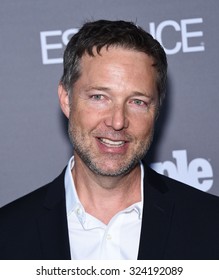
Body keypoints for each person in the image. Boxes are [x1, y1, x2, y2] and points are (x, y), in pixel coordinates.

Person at [1, 19, 219, 260]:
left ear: (156, 110)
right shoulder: (8, 236)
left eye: (138, 102)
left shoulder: (210, 225)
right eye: (99, 97)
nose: (117, 121)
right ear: (66, 99)